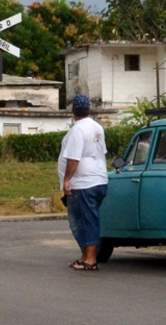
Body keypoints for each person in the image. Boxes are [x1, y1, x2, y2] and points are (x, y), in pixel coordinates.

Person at [58, 94, 108, 271]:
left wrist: (66, 179)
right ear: (89, 109)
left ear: (73, 110)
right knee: (86, 219)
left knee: (84, 221)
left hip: (84, 183)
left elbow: (74, 158)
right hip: (99, 179)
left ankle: (91, 259)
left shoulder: (78, 130)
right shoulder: (97, 127)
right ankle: (85, 256)